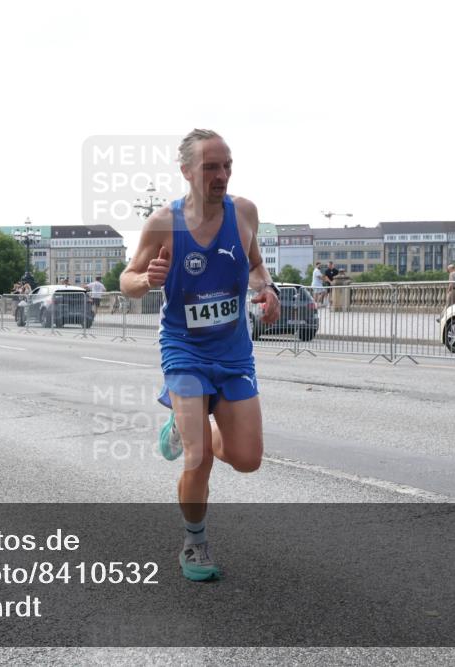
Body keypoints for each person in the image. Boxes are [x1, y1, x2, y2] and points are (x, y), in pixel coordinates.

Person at [120, 129, 279, 582]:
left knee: (248, 459)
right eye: (211, 166)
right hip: (184, 350)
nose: (222, 175)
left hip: (233, 353)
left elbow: (253, 264)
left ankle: (194, 422)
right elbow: (126, 280)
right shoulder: (162, 223)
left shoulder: (244, 212)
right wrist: (147, 279)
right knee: (198, 456)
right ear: (187, 171)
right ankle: (194, 542)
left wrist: (266, 290)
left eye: (227, 165)